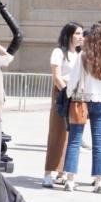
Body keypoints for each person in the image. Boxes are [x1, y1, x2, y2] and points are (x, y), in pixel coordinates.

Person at [62, 24, 101, 193]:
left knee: (74, 140)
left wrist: (69, 94)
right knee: (99, 141)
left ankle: (70, 180)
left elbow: (74, 79)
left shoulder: (84, 56)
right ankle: (99, 181)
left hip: (82, 100)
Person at [43, 22, 83, 188]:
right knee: (57, 131)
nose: (81, 37)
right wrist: (67, 93)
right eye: (78, 33)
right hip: (62, 93)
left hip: (77, 94)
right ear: (69, 35)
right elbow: (57, 77)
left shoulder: (80, 54)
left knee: (70, 135)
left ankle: (62, 172)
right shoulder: (59, 52)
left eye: (81, 34)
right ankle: (48, 172)